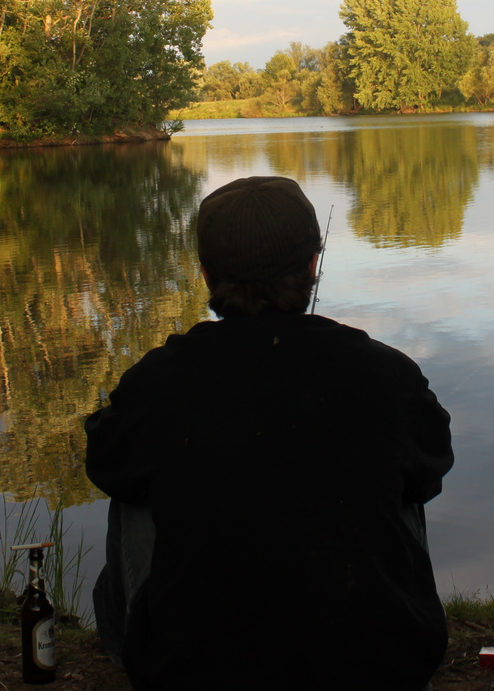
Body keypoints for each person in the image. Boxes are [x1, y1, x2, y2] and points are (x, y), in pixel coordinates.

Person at [84, 175, 454, 691]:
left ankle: (170, 636)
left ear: (207, 271)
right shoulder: (386, 374)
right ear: (311, 266)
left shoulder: (158, 382)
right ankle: (379, 625)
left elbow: (103, 461)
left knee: (134, 477)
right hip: (380, 668)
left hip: (191, 671)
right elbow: (432, 467)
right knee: (403, 475)